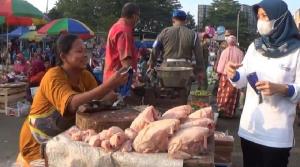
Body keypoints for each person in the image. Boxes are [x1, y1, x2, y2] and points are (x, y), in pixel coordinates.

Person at [17, 34, 128, 166]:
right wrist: (108, 85)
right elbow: (72, 103)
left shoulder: (85, 75)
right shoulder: (53, 76)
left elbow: (96, 96)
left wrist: (111, 93)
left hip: (62, 139)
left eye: (85, 50)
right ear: (63, 56)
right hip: (37, 143)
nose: (85, 54)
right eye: (79, 51)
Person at [225, 0, 300, 166]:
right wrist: (235, 74)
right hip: (249, 129)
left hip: (276, 136)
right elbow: (244, 74)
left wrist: (281, 88)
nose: (261, 21)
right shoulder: (255, 46)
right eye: (258, 16)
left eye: (265, 16)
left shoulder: (297, 51)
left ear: (280, 19)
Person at [149, 9, 206, 92]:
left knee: (165, 93)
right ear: (186, 21)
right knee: (184, 94)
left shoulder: (164, 32)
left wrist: (151, 64)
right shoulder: (193, 34)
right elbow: (199, 55)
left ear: (173, 19)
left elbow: (155, 49)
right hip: (185, 69)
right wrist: (201, 71)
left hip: (167, 68)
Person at [103, 2, 140, 82]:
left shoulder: (116, 26)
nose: (138, 20)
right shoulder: (124, 31)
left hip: (111, 77)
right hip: (117, 81)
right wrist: (135, 78)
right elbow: (126, 64)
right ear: (134, 16)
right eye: (138, 17)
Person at [216, 35, 244, 118]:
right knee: (233, 94)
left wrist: (219, 73)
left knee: (223, 92)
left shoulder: (225, 51)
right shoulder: (240, 52)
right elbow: (242, 66)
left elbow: (220, 66)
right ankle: (230, 113)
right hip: (235, 76)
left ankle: (222, 109)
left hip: (225, 75)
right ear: (235, 42)